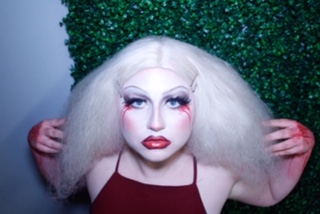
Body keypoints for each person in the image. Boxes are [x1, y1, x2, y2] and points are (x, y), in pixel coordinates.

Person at [28, 36, 315, 214]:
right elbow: (61, 183)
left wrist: (302, 149)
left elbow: (270, 193)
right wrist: (40, 146)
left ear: (207, 105)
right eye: (137, 102)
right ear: (108, 106)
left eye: (176, 102)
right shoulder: (97, 163)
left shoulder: (217, 173)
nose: (156, 123)